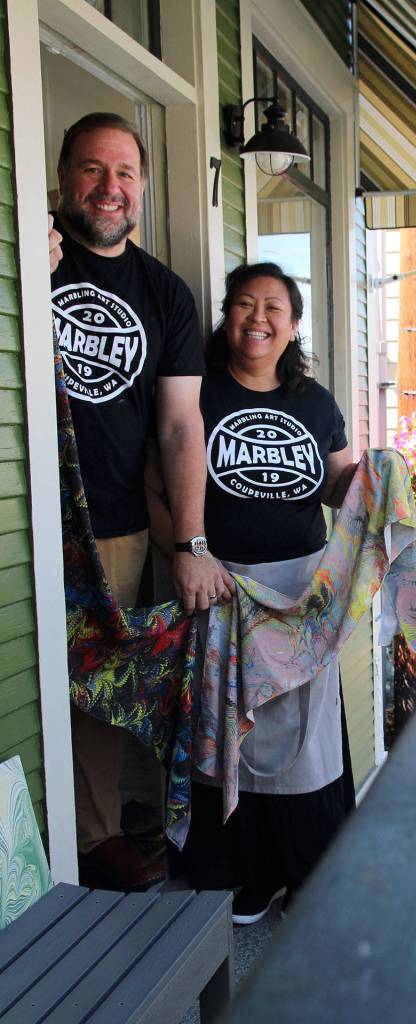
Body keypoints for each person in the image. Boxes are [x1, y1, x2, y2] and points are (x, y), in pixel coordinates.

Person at [49, 112, 233, 891]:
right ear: (63, 178)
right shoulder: (32, 254)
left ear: (144, 187)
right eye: (93, 170)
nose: (110, 187)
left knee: (96, 686)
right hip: (27, 515)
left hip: (115, 526)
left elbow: (181, 424)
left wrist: (189, 544)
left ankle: (92, 837)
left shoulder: (163, 292)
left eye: (124, 173)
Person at [148, 262, 357, 923]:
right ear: (226, 315)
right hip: (222, 586)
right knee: (226, 740)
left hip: (302, 595)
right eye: (244, 304)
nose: (257, 317)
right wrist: (187, 556)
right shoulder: (198, 393)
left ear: (293, 326)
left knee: (304, 743)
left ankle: (307, 874)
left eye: (273, 307)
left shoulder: (316, 401)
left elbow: (338, 486)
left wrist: (378, 485)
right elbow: (156, 487)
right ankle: (240, 878)